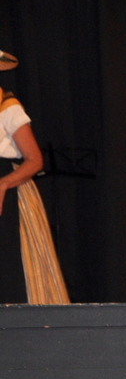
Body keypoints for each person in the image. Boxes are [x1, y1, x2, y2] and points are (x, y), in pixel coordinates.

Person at [0, 48, 70, 304]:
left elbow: (35, 159)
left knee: (10, 271)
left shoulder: (8, 107)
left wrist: (4, 183)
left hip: (9, 194)